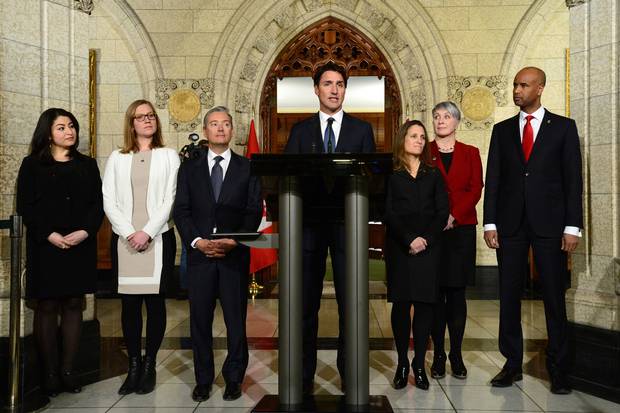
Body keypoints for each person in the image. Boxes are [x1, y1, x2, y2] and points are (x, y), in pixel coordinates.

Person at [483, 67, 583, 394]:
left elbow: (573, 181)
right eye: (514, 85)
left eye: (523, 85)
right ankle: (511, 364)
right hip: (510, 226)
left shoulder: (564, 129)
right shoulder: (502, 130)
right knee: (508, 296)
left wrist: (572, 226)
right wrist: (490, 222)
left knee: (553, 297)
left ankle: (558, 369)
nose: (517, 90)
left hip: (551, 225)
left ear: (539, 88)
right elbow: (494, 179)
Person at [283, 61, 375, 395]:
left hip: (347, 227)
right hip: (307, 227)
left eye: (339, 84)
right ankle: (303, 372)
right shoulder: (300, 131)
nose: (334, 89)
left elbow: (371, 179)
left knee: (351, 304)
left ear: (345, 90)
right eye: (327, 83)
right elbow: (286, 177)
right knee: (305, 304)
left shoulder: (362, 130)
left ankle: (350, 373)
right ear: (316, 89)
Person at [173, 106, 262, 402]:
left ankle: (234, 377)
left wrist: (235, 241)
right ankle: (203, 379)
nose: (220, 129)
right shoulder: (189, 168)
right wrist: (197, 241)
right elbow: (181, 210)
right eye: (214, 124)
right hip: (199, 256)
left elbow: (252, 210)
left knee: (236, 321)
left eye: (225, 124)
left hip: (233, 256)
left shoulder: (247, 168)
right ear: (206, 130)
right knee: (199, 320)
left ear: (232, 131)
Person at [16, 108, 104, 396]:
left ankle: (68, 371)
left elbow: (97, 205)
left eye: (72, 126)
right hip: (46, 246)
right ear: (48, 133)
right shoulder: (31, 165)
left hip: (79, 245)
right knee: (47, 306)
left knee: (73, 305)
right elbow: (26, 206)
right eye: (62, 127)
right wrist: (50, 235)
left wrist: (85, 231)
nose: (69, 131)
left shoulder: (87, 165)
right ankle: (50, 373)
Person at [102, 99, 180, 395]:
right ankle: (132, 366)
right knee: (130, 305)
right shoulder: (117, 157)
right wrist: (128, 232)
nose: (147, 120)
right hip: (124, 241)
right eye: (140, 117)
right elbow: (108, 198)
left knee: (155, 303)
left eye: (151, 116)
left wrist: (146, 232)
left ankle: (149, 366)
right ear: (131, 123)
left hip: (158, 238)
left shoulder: (169, 156)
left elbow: (171, 198)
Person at [384, 120, 449, 390]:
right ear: (403, 139)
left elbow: (441, 212)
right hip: (400, 249)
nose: (420, 141)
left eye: (423, 137)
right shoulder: (391, 173)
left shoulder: (433, 174)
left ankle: (419, 364)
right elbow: (388, 212)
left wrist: (426, 240)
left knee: (424, 307)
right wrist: (409, 239)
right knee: (401, 307)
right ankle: (401, 362)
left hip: (429, 250)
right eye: (414, 136)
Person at [429, 101, 483, 380]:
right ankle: (438, 354)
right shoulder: (424, 151)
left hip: (461, 230)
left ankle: (457, 354)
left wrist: (454, 215)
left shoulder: (471, 153)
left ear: (457, 122)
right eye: (436, 116)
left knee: (457, 295)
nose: (440, 121)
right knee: (436, 295)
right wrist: (440, 217)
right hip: (434, 231)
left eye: (446, 116)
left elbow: (476, 188)